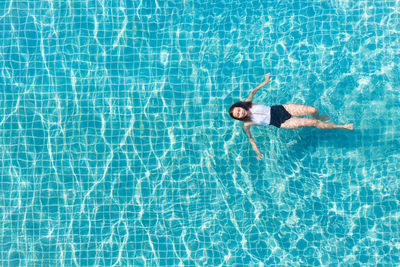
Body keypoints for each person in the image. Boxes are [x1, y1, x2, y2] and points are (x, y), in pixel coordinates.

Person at [229, 73, 353, 160]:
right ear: (239, 118)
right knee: (313, 123)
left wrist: (265, 82)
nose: (241, 113)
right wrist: (257, 152)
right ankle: (342, 126)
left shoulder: (248, 103)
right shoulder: (247, 124)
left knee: (313, 110)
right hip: (281, 122)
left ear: (240, 106)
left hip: (281, 109)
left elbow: (252, 92)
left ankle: (319, 118)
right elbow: (250, 138)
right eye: (238, 115)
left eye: (239, 110)